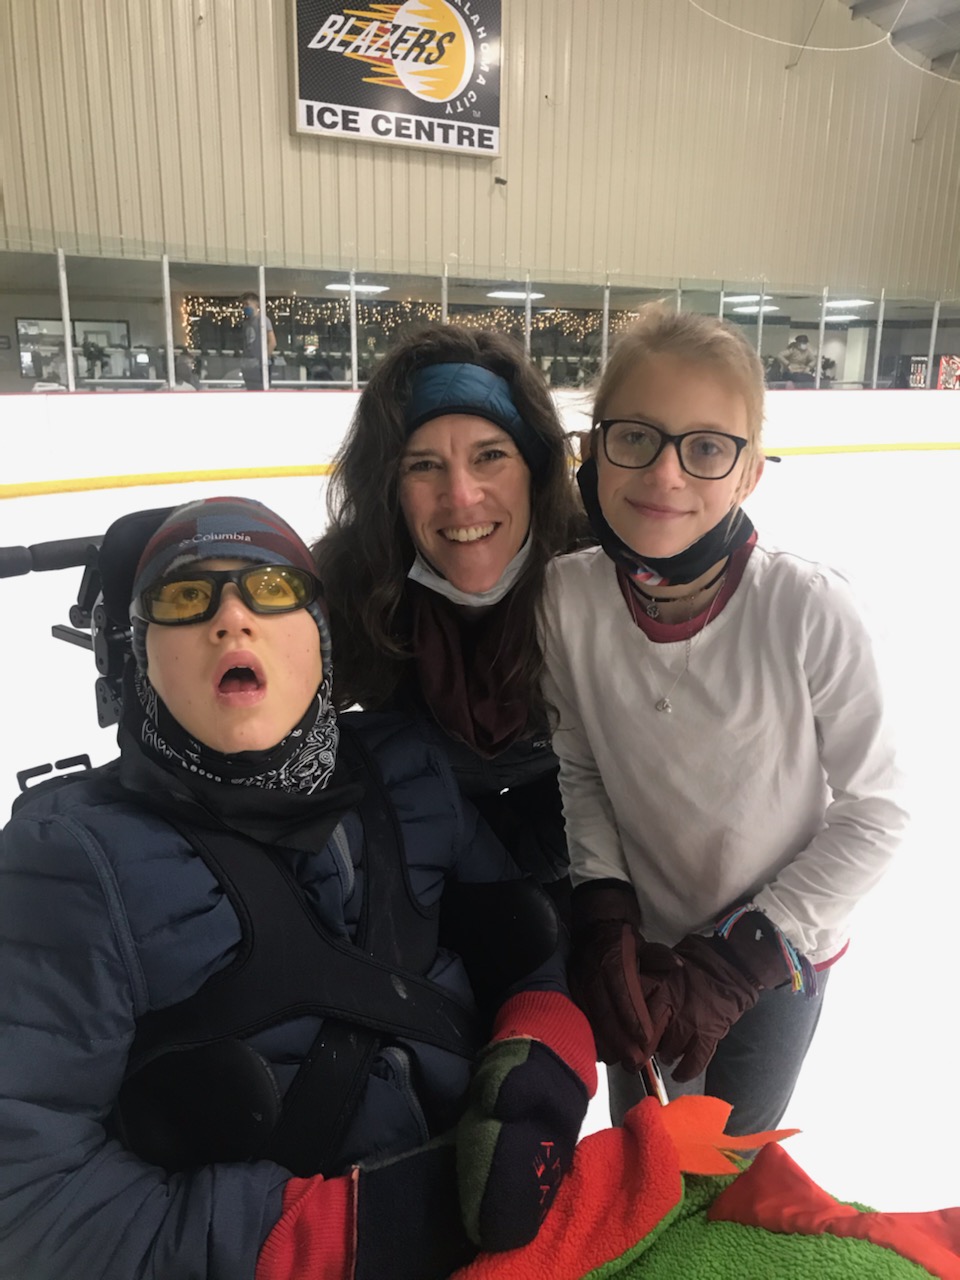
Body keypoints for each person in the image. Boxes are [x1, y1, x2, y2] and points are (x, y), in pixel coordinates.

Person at [0, 496, 597, 1280]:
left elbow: (526, 946)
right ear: (141, 654)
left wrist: (545, 1060)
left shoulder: (411, 772)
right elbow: (27, 1200)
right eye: (185, 598)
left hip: (517, 1234)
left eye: (271, 590)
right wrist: (331, 1235)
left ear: (321, 639)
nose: (230, 619)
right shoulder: (67, 865)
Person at [541, 304, 906, 1136]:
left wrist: (746, 955)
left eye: (706, 448)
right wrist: (605, 909)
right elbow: (581, 764)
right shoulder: (567, 601)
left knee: (730, 1171)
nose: (666, 474)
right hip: (650, 954)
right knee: (646, 1156)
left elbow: (879, 813)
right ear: (594, 451)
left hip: (780, 960)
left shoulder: (807, 609)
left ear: (748, 476)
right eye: (636, 437)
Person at [313, 325, 587, 898]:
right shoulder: (351, 585)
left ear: (534, 471)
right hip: (423, 856)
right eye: (423, 466)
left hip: (580, 849)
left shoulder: (597, 574)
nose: (460, 496)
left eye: (491, 456)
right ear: (390, 486)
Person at [240, 290, 276, 389]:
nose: (245, 307)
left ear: (256, 304)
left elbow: (272, 342)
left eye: (247, 304)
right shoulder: (246, 324)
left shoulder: (263, 320)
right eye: (243, 305)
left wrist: (263, 361)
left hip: (259, 366)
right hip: (248, 365)